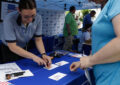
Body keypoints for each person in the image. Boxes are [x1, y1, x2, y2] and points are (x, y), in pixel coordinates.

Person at [70, 0, 120, 85]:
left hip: (113, 78)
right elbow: (102, 45)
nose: (89, 0)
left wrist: (90, 60)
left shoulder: (116, 2)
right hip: (104, 78)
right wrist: (82, 62)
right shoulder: (107, 7)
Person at [0, 0, 51, 67]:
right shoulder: (9, 19)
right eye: (26, 17)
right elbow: (12, 46)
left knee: (24, 68)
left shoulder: (38, 18)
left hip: (24, 47)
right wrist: (34, 57)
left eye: (33, 15)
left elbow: (38, 39)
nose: (30, 20)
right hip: (9, 49)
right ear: (19, 10)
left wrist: (43, 54)